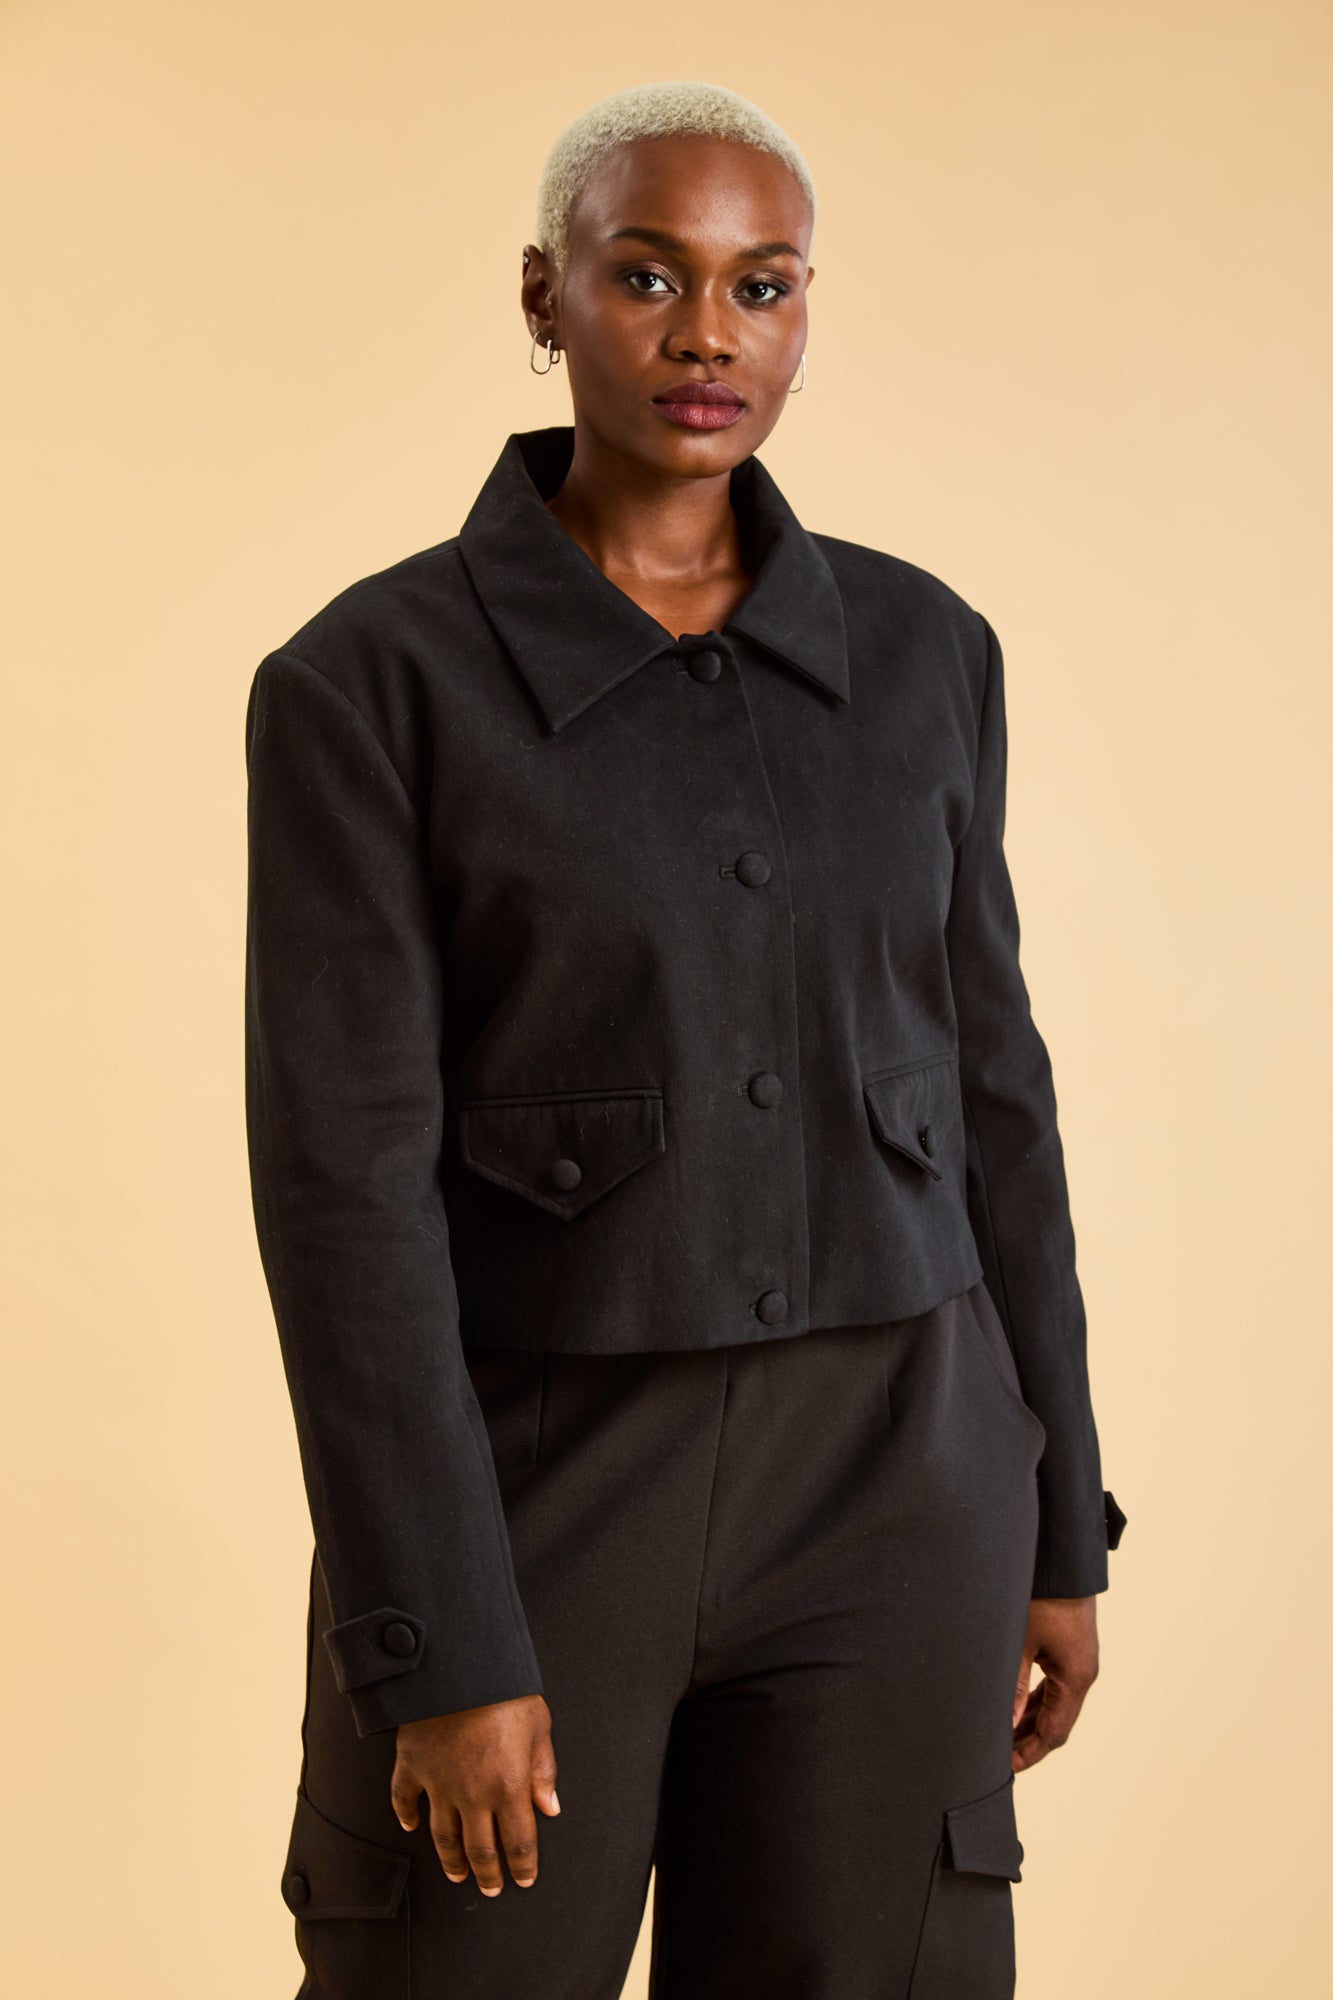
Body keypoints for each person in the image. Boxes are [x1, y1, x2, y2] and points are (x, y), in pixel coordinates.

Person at [244, 78, 1126, 2000]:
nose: (708, 332)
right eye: (647, 275)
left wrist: (1062, 1515)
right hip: (546, 1484)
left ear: (805, 314)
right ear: (547, 297)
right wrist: (440, 1638)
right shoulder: (367, 687)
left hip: (905, 1477)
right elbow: (344, 1198)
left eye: (763, 284)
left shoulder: (924, 656)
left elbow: (998, 1101)